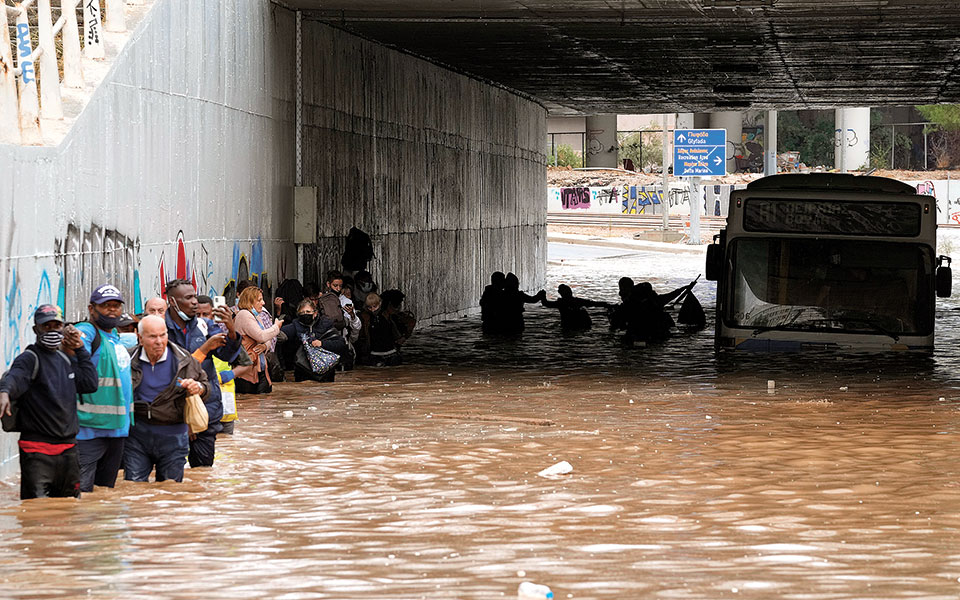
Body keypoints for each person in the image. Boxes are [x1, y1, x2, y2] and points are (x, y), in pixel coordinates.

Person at [0, 305, 98, 499]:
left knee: (69, 508)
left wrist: (80, 349)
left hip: (68, 451)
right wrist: (4, 392)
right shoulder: (30, 358)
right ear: (36, 329)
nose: (52, 331)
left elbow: (89, 383)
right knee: (36, 509)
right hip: (37, 452)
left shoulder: (65, 359)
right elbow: (14, 377)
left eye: (56, 326)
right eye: (46, 326)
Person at [164, 279, 241, 469]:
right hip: (170, 415)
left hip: (206, 410)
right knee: (170, 475)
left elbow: (227, 355)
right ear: (172, 301)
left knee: (203, 473)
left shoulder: (204, 326)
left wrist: (231, 330)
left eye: (195, 296)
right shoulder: (160, 331)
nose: (194, 302)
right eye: (188, 298)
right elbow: (171, 371)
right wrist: (205, 348)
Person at [125, 315, 209, 483]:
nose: (159, 341)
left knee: (170, 490)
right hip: (137, 436)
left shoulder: (184, 359)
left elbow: (206, 386)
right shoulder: (127, 359)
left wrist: (198, 388)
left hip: (173, 436)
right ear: (140, 338)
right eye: (152, 336)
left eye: (162, 335)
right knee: (134, 488)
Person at [74, 284, 135, 493]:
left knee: (104, 495)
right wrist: (72, 343)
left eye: (116, 305)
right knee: (81, 495)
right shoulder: (88, 331)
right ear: (92, 309)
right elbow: (75, 348)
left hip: (117, 430)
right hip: (89, 431)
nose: (112, 310)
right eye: (105, 305)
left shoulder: (114, 336)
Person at [278, 299, 349, 381]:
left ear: (315, 313)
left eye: (308, 312)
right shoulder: (295, 325)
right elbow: (280, 335)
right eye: (302, 313)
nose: (305, 314)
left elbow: (340, 343)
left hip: (326, 374)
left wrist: (322, 343)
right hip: (303, 372)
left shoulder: (325, 324)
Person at [234, 286, 283, 394]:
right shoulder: (244, 315)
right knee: (250, 399)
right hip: (248, 367)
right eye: (259, 300)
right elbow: (261, 336)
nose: (263, 303)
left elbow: (266, 338)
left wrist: (265, 346)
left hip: (259, 365)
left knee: (263, 397)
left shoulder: (256, 316)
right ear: (249, 301)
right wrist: (276, 327)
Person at [541, 284, 612, 331]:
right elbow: (593, 303)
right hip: (582, 325)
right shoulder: (577, 301)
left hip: (568, 325)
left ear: (560, 293)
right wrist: (606, 305)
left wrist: (542, 296)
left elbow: (546, 304)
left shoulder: (561, 303)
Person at [357, 292, 403, 366]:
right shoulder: (366, 317)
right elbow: (362, 334)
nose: (373, 310)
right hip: (374, 352)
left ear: (380, 304)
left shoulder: (386, 315)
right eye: (370, 307)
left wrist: (399, 339)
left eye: (375, 306)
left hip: (390, 350)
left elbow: (393, 328)